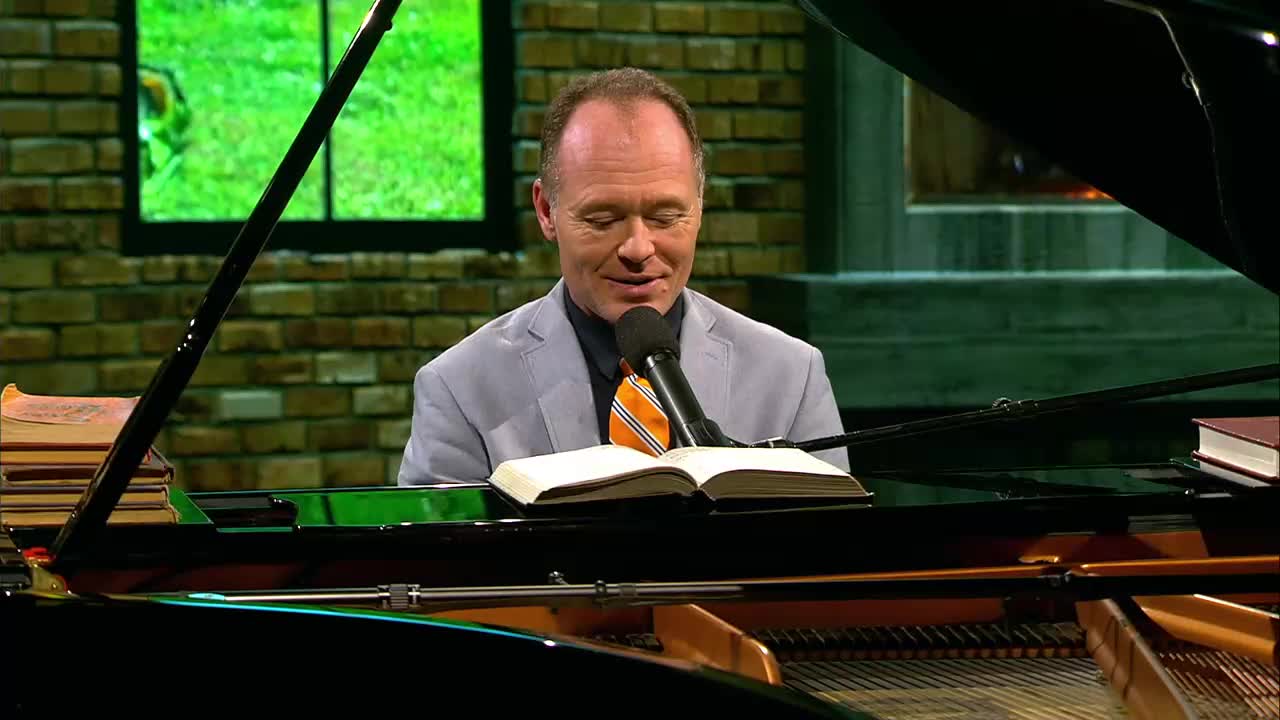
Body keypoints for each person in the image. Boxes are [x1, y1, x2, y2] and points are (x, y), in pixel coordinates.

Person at [398, 67, 847, 485]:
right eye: (602, 219)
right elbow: (444, 566)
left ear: (701, 204)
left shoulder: (791, 377)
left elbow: (831, 559)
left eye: (666, 216)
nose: (638, 248)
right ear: (546, 211)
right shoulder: (460, 388)